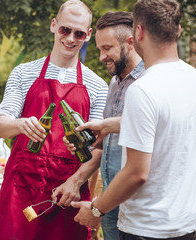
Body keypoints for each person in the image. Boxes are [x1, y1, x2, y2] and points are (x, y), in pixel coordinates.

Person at [72, 0, 196, 239]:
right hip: (187, 224)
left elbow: (137, 173)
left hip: (146, 227)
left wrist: (96, 210)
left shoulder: (142, 89)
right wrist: (108, 128)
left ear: (138, 33)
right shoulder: (193, 78)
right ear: (177, 31)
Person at [0, 0, 108, 239]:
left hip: (67, 193)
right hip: (20, 190)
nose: (70, 38)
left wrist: (76, 182)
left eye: (78, 33)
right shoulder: (23, 73)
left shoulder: (97, 85)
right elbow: (0, 127)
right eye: (65, 30)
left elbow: (98, 147)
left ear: (87, 35)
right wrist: (20, 124)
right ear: (53, 25)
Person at [64, 11, 144, 240]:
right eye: (99, 49)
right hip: (109, 202)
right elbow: (108, 141)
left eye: (107, 48)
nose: (101, 56)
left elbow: (151, 125)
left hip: (137, 205)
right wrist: (91, 144)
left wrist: (106, 126)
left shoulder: (149, 80)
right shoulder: (114, 83)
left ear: (130, 43)